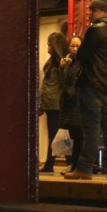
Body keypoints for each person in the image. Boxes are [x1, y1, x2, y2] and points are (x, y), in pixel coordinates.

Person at [63, 0, 107, 181]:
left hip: (93, 85)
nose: (89, 14)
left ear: (101, 11)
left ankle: (85, 169)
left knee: (91, 129)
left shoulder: (96, 30)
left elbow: (82, 55)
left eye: (92, 10)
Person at [40, 32, 69, 173]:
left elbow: (63, 83)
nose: (47, 47)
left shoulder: (61, 63)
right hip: (50, 103)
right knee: (58, 135)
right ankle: (66, 163)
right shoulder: (52, 61)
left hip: (56, 104)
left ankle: (51, 165)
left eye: (49, 44)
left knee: (58, 135)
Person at [59, 34, 84, 173]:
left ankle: (77, 165)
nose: (74, 49)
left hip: (78, 104)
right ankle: (73, 164)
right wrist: (62, 68)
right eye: (72, 46)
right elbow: (62, 82)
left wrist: (73, 92)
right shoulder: (69, 62)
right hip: (68, 104)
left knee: (79, 135)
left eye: (77, 46)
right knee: (73, 136)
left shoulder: (83, 63)